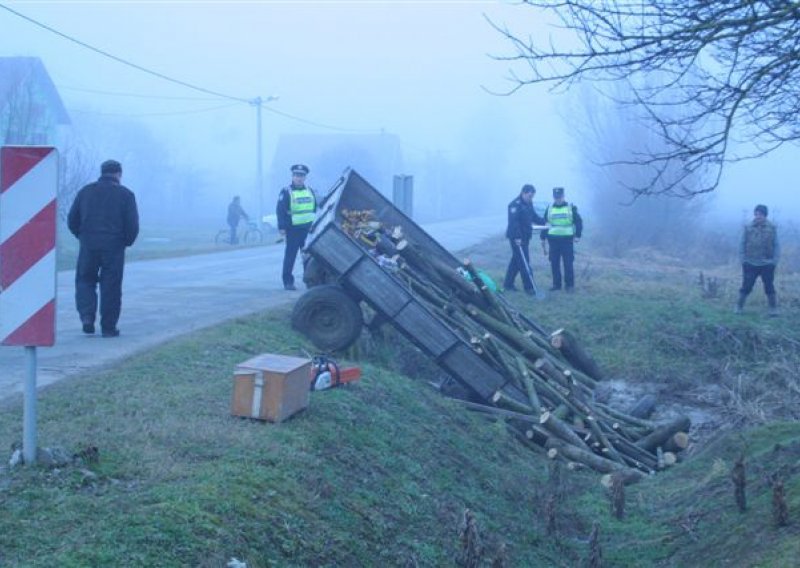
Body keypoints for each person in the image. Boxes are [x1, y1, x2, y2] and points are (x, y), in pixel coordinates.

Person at [67, 159, 139, 337]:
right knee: (111, 286)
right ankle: (108, 327)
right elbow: (132, 225)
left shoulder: (85, 192)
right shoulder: (126, 195)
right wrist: (126, 241)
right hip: (114, 246)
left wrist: (82, 236)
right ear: (119, 174)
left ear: (102, 172)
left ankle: (87, 317)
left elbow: (71, 220)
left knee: (85, 280)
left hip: (88, 244)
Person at [276, 163, 317, 290]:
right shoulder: (286, 191)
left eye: (301, 176)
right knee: (290, 256)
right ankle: (288, 282)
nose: (299, 178)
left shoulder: (310, 190)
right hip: (293, 230)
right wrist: (282, 228)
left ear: (305, 177)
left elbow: (315, 208)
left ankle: (310, 281)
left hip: (308, 230)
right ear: (292, 177)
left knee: (308, 257)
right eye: (296, 175)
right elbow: (280, 210)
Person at [736, 204, 779, 316]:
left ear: (765, 215)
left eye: (760, 214)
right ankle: (739, 307)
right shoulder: (748, 227)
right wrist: (743, 259)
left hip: (767, 263)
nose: (758, 216)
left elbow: (776, 245)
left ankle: (773, 309)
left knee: (769, 286)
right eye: (756, 214)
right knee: (746, 286)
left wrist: (774, 261)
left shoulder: (772, 228)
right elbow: (742, 243)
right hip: (750, 262)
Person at [503, 184, 546, 295]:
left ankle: (508, 284)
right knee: (524, 262)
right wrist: (517, 237)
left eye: (532, 196)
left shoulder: (528, 203)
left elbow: (533, 216)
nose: (531, 198)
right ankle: (529, 288)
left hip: (526, 237)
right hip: (516, 238)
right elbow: (514, 223)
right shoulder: (514, 205)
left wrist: (544, 221)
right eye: (529, 195)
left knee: (516, 262)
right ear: (523, 193)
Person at [540, 186, 583, 292]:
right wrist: (542, 238)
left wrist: (577, 235)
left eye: (559, 197)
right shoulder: (549, 208)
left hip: (567, 240)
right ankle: (556, 285)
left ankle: (569, 286)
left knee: (568, 263)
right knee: (554, 263)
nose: (558, 199)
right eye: (556, 197)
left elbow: (578, 222)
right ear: (553, 197)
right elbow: (545, 224)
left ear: (563, 196)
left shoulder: (570, 208)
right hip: (553, 240)